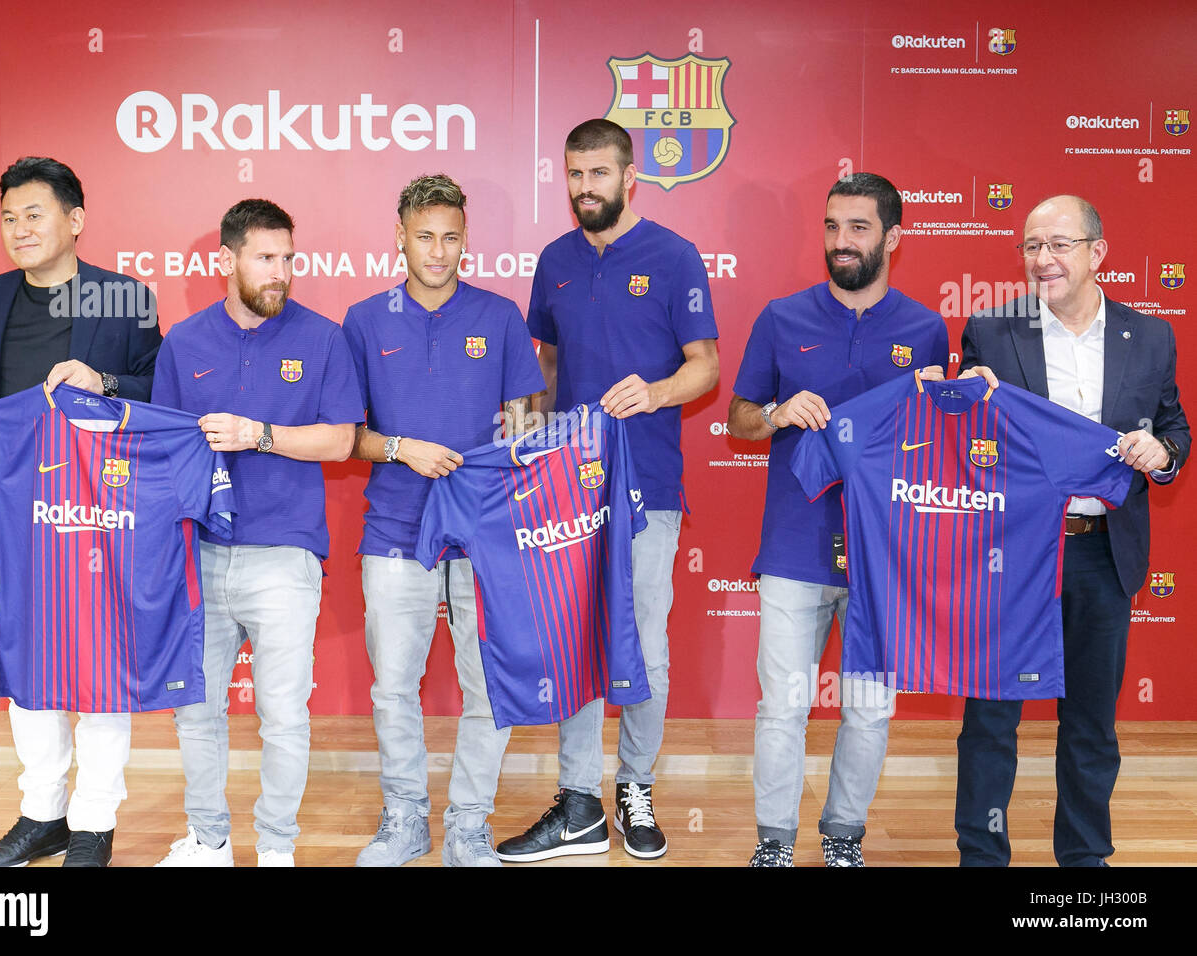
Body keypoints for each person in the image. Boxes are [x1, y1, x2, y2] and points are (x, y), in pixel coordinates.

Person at [496, 119, 719, 862]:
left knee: (646, 648)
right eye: (573, 175)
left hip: (647, 486)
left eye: (597, 174)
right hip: (568, 489)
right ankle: (580, 801)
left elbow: (706, 368)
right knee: (575, 646)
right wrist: (527, 432)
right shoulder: (555, 260)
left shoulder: (674, 256)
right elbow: (548, 371)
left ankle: (636, 784)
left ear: (630, 177)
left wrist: (654, 394)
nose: (584, 188)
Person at [945, 195, 1188, 866]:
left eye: (1057, 245)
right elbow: (958, 440)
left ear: (1096, 252)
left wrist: (1163, 454)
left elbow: (1173, 428)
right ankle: (981, 854)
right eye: (1030, 247)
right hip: (1012, 559)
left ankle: (1084, 860)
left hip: (1103, 556)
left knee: (1090, 724)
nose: (1041, 260)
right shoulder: (993, 332)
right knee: (991, 718)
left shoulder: (1152, 335)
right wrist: (966, 400)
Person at [727, 172, 949, 867]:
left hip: (888, 558)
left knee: (869, 711)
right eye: (831, 226)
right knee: (782, 709)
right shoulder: (780, 316)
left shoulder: (927, 329)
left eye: (858, 227)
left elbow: (941, 450)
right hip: (793, 548)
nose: (841, 241)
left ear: (893, 238)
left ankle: (844, 837)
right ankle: (773, 844)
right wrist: (776, 413)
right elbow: (738, 420)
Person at [0, 156, 161, 868]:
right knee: (29, 665)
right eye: (8, 217)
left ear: (75, 220)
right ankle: (43, 814)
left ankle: (95, 822)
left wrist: (102, 380)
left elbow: (159, 391)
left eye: (33, 214)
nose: (19, 229)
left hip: (98, 515)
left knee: (99, 670)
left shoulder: (124, 297)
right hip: (12, 517)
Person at [342, 174, 545, 867]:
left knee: (486, 683)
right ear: (399, 236)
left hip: (486, 538)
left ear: (466, 239)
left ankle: (468, 823)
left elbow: (527, 428)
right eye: (424, 236)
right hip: (394, 529)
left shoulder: (499, 315)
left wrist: (510, 458)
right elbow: (347, 436)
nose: (438, 251)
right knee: (394, 683)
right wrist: (403, 448)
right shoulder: (365, 320)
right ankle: (403, 818)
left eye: (450, 237)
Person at [151, 199, 361, 867]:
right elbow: (161, 450)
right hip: (202, 555)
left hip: (285, 554)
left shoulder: (324, 338)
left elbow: (340, 440)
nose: (281, 273)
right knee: (198, 712)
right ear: (227, 261)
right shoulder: (183, 342)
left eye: (289, 259)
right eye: (266, 259)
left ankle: (276, 848)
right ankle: (210, 840)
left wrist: (258, 435)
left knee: (285, 716)